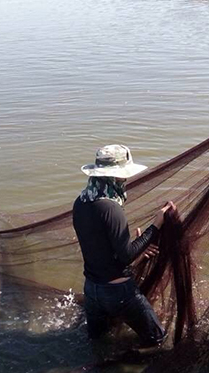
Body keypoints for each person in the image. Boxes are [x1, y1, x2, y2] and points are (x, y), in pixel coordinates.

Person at [72, 144, 174, 347]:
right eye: (123, 177)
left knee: (98, 343)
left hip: (92, 290)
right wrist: (156, 224)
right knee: (158, 340)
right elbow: (126, 255)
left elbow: (100, 249)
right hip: (118, 293)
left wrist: (138, 247)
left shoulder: (81, 202)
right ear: (115, 177)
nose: (125, 180)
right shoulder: (111, 208)